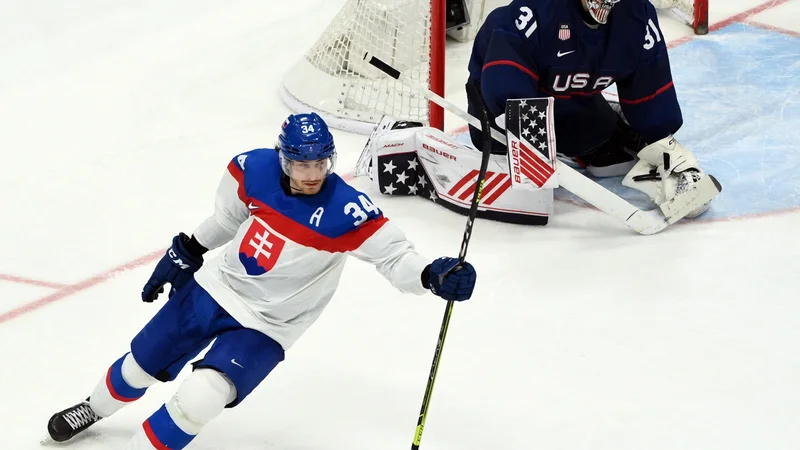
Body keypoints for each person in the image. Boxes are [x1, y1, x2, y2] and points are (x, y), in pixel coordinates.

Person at [46, 113, 477, 449]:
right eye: (300, 163)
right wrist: (189, 248)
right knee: (138, 365)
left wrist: (431, 274)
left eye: (320, 163)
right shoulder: (252, 168)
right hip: (216, 288)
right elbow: (226, 220)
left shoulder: (348, 211)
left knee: (201, 398)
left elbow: (395, 257)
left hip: (270, 323)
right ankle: (93, 407)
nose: (311, 173)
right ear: (282, 156)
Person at [359, 0, 713, 221]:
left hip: (574, 100)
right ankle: (410, 144)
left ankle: (582, 145)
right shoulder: (537, 12)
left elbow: (651, 94)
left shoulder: (637, 18)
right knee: (528, 192)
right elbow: (504, 71)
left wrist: (660, 144)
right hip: (500, 110)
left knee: (615, 163)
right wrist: (529, 141)